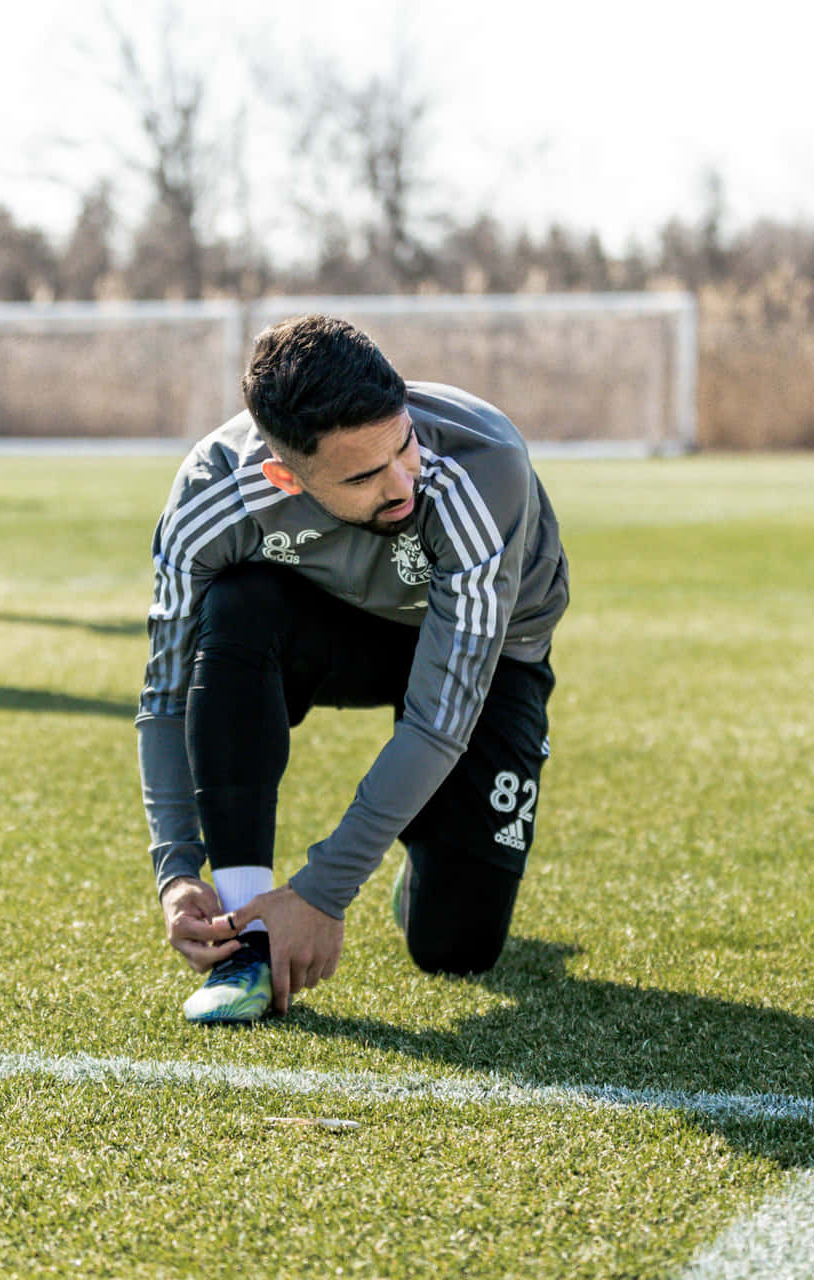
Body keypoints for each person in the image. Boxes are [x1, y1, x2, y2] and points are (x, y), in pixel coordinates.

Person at [138, 315, 569, 1025]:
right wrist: (177, 870)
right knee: (238, 606)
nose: (402, 482)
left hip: (488, 648)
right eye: (365, 474)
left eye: (403, 446)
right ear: (285, 475)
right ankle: (245, 938)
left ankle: (428, 852)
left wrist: (322, 893)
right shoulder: (212, 494)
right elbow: (167, 695)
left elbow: (441, 717)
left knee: (455, 947)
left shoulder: (482, 464)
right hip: (339, 627)